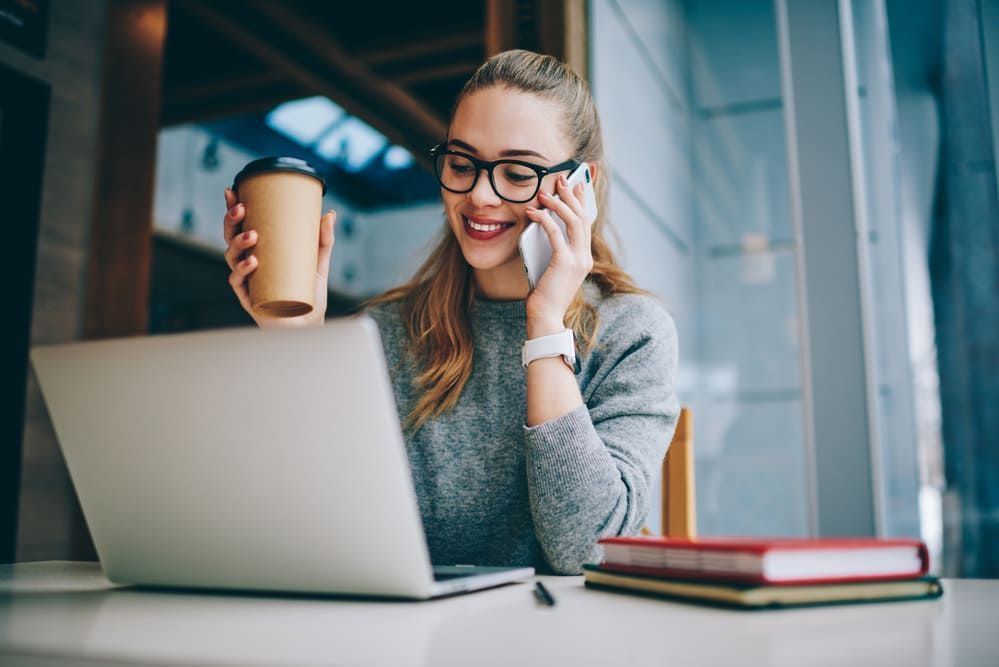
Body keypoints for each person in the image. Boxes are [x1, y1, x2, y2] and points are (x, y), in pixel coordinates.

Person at [221, 49, 679, 575]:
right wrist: (295, 347)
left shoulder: (632, 335)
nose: (480, 195)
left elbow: (586, 550)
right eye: (462, 164)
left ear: (580, 185)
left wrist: (546, 323)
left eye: (516, 172)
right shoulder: (383, 333)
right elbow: (303, 531)